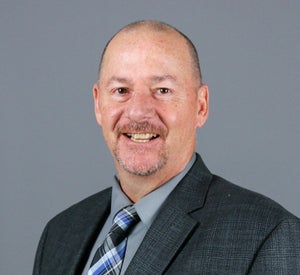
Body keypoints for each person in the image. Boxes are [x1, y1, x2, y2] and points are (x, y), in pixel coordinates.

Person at [33, 20, 300, 274]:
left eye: (162, 90)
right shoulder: (59, 234)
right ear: (97, 104)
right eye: (121, 90)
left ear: (201, 105)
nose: (138, 112)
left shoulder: (267, 235)